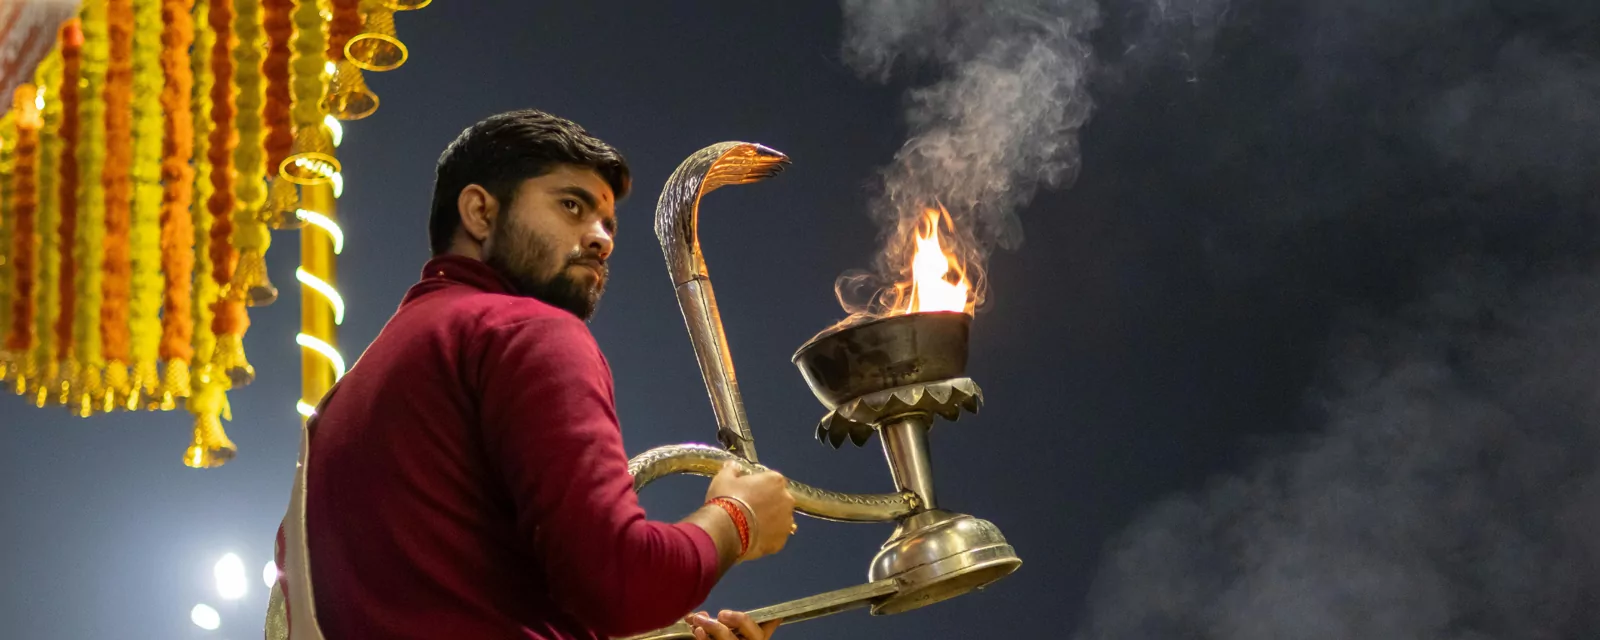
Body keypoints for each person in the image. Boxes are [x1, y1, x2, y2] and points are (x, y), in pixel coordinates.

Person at [265, 109, 796, 640]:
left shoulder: (349, 394)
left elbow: (461, 601)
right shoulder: (524, 329)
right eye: (571, 206)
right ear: (479, 212)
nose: (601, 239)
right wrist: (737, 517)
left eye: (607, 224)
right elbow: (621, 583)